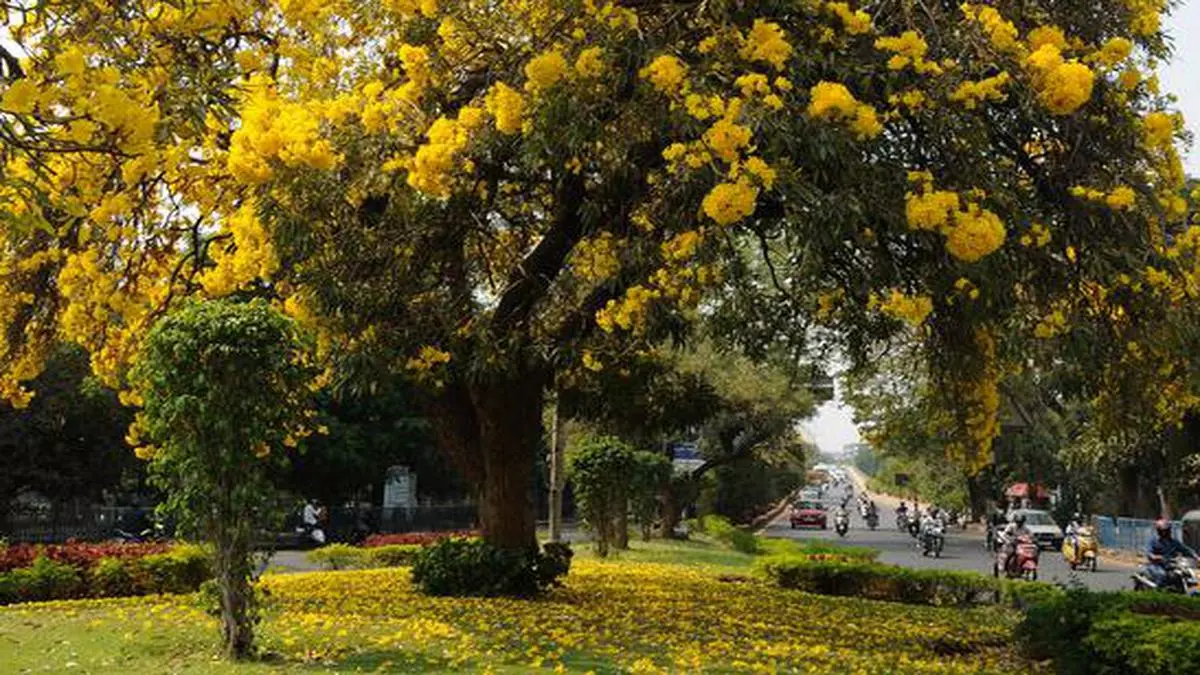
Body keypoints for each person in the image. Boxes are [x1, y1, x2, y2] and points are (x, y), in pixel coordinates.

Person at [1144, 518, 1198, 588]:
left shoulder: (1173, 542)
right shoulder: (1153, 541)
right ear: (1159, 531)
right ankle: (1158, 592)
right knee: (1162, 575)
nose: (1167, 532)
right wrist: (1156, 557)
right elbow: (1149, 553)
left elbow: (1185, 549)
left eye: (1168, 530)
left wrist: (1196, 556)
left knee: (1184, 573)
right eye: (1165, 531)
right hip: (1156, 565)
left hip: (1171, 564)